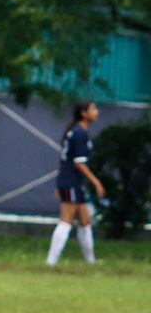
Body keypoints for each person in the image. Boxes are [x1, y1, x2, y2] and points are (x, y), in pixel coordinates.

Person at [46, 100, 104, 266]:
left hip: (72, 182)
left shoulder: (77, 131)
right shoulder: (79, 133)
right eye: (93, 109)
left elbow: (62, 160)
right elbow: (79, 163)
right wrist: (96, 182)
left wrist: (60, 182)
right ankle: (50, 262)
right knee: (66, 220)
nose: (97, 112)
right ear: (83, 113)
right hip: (71, 181)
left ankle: (91, 262)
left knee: (85, 221)